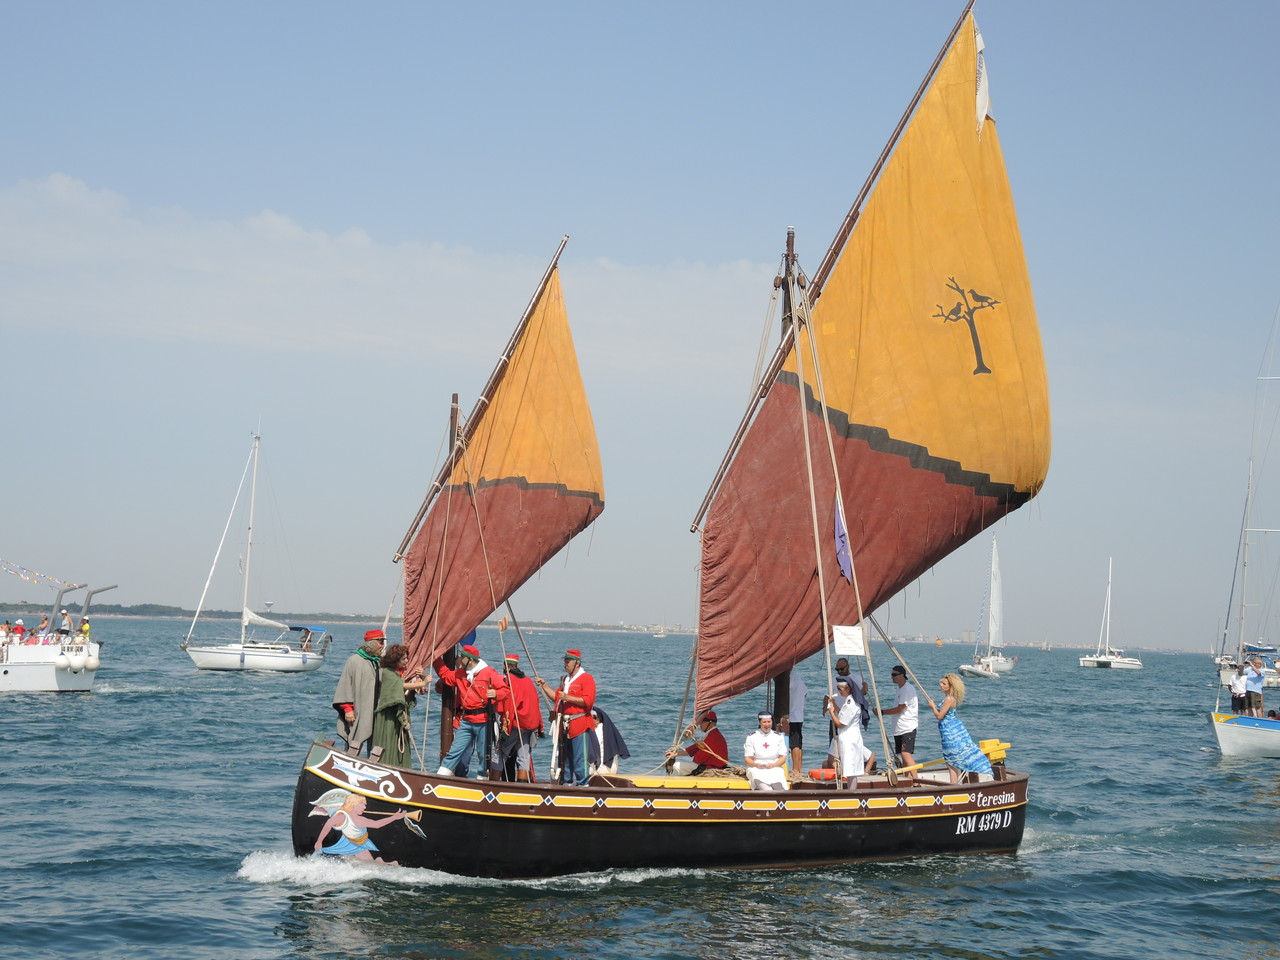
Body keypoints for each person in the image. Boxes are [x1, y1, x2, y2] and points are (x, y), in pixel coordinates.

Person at [434, 641, 512, 779]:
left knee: (483, 754)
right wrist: (435, 658)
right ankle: (442, 775)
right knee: (455, 750)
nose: (459, 659)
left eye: (462, 657)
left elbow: (505, 691)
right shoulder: (460, 674)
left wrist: (496, 693)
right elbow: (445, 675)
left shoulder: (488, 673)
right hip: (466, 721)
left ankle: (482, 778)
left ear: (469, 659)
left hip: (483, 721)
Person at [535, 649, 596, 787]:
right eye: (565, 661)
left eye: (568, 661)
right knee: (565, 759)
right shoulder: (565, 680)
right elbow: (557, 698)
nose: (565, 664)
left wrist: (568, 697)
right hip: (565, 726)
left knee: (580, 758)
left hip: (579, 723)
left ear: (577, 663)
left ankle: (583, 785)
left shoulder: (586, 679)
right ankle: (567, 783)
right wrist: (544, 686)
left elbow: (588, 701)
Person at [371, 643, 428, 768]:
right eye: (403, 659)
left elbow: (413, 688)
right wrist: (423, 682)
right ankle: (385, 766)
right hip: (388, 715)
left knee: (399, 742)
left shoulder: (402, 674)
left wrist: (422, 677)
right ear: (395, 659)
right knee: (387, 742)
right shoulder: (388, 672)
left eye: (407, 658)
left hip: (399, 715)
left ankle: (401, 766)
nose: (406, 661)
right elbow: (400, 686)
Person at [930, 673, 993, 783]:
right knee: (951, 761)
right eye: (941, 683)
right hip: (950, 728)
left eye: (944, 684)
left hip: (950, 731)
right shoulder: (949, 698)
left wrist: (932, 707)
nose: (941, 685)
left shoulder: (949, 699)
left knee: (951, 761)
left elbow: (940, 716)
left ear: (950, 686)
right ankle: (955, 785)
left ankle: (954, 786)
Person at [332, 629, 386, 755]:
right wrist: (347, 709)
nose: (383, 645)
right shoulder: (354, 660)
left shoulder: (378, 662)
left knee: (374, 742)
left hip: (375, 710)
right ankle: (348, 762)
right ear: (372, 643)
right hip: (357, 710)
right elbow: (345, 685)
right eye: (380, 641)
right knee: (355, 738)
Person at [500, 654, 544, 782]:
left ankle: (493, 781)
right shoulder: (528, 680)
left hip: (514, 723)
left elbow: (507, 704)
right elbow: (536, 703)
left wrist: (505, 727)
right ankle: (522, 784)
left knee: (500, 754)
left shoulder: (507, 680)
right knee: (524, 756)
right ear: (517, 666)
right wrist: (539, 726)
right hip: (528, 725)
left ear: (505, 666)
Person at [828, 677, 874, 785]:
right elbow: (843, 715)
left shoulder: (851, 703)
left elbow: (840, 724)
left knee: (851, 770)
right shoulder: (848, 701)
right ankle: (851, 790)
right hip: (849, 738)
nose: (839, 691)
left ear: (847, 688)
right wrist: (834, 706)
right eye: (838, 689)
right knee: (850, 769)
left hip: (849, 739)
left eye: (840, 689)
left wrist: (831, 712)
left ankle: (852, 792)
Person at [876, 665, 918, 769]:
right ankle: (908, 780)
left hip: (907, 728)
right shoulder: (900, 689)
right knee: (902, 756)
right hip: (899, 729)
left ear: (902, 675)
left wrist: (883, 712)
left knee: (906, 754)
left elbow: (900, 708)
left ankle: (916, 782)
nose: (892, 677)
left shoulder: (907, 689)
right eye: (892, 675)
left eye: (894, 675)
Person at [744, 711, 789, 790]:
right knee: (762, 784)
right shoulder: (751, 737)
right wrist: (757, 765)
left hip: (774, 766)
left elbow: (783, 757)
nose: (767, 724)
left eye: (769, 722)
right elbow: (748, 759)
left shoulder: (778, 736)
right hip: (756, 768)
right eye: (764, 722)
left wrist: (773, 765)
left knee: (779, 785)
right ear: (759, 723)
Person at [789, 672, 808, 775]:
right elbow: (805, 692)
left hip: (792, 715)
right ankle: (799, 768)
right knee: (798, 743)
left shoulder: (790, 677)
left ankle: (796, 769)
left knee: (794, 744)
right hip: (799, 714)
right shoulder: (798, 677)